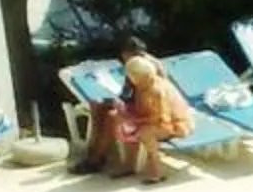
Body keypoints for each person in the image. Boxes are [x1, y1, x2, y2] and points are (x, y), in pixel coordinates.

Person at [83, 36, 194, 182]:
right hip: (148, 110)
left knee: (116, 119)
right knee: (104, 110)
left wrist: (129, 117)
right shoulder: (143, 71)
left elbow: (159, 117)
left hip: (168, 122)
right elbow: (131, 97)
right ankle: (102, 157)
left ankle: (97, 159)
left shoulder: (145, 77)